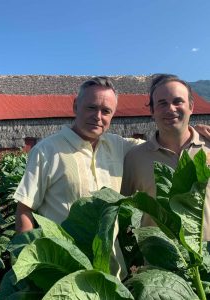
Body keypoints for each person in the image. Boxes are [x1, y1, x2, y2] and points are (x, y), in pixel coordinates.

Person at [14, 76, 142, 279]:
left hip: (111, 273)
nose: (98, 116)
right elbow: (24, 209)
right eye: (91, 107)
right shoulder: (47, 150)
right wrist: (29, 265)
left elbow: (159, 145)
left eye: (106, 111)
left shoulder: (119, 146)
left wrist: (192, 133)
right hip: (64, 270)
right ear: (76, 106)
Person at [121, 74, 210, 240]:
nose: (171, 109)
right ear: (152, 111)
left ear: (191, 106)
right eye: (162, 103)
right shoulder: (135, 158)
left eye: (178, 101)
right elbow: (125, 211)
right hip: (161, 262)